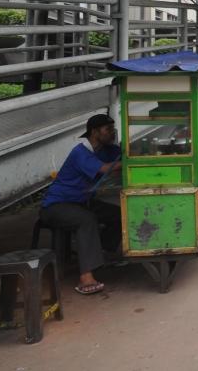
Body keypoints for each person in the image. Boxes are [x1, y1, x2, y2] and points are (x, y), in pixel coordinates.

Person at [39, 114, 123, 295]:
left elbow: (121, 154)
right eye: (108, 129)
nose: (112, 133)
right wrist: (128, 162)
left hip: (81, 202)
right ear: (94, 132)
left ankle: (103, 253)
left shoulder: (105, 149)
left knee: (119, 213)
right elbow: (105, 169)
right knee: (86, 220)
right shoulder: (80, 152)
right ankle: (85, 277)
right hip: (57, 206)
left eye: (112, 129)